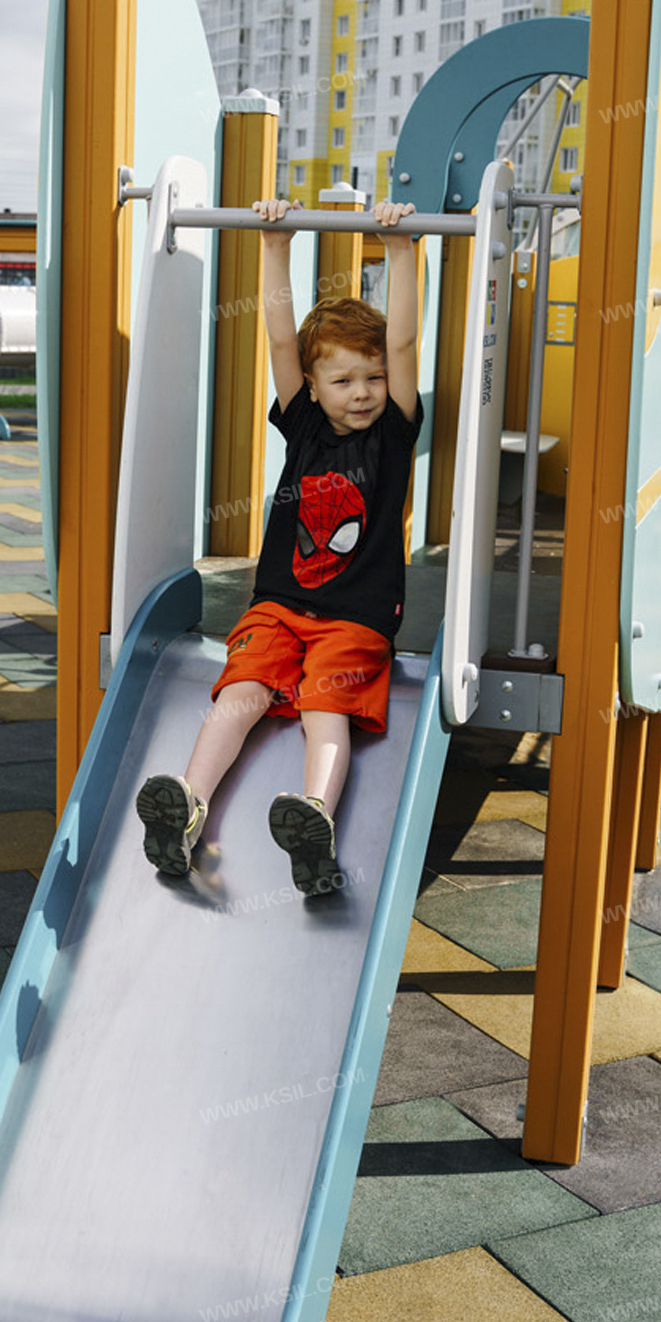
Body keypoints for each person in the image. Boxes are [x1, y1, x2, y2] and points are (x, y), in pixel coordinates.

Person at [136, 197, 423, 895]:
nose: (363, 392)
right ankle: (187, 808)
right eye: (344, 381)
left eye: (374, 377)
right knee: (241, 691)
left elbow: (406, 343)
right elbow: (279, 341)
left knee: (327, 711)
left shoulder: (393, 435)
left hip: (355, 619)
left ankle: (314, 818)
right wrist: (273, 245)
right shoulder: (305, 425)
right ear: (315, 389)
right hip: (280, 607)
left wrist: (403, 250)